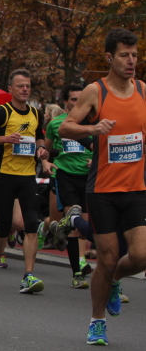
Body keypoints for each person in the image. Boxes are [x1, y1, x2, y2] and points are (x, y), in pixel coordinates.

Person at [59, 28, 146, 346]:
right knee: (107, 259)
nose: (131, 61)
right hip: (103, 191)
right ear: (109, 57)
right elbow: (66, 127)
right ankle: (97, 322)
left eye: (134, 55)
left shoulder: (143, 90)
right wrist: (94, 128)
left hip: (136, 189)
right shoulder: (96, 92)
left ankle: (115, 280)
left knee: (141, 256)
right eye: (124, 55)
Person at [0, 69, 48, 293]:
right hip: (5, 176)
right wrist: (4, 139)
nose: (25, 89)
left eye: (28, 86)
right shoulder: (2, 113)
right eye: (20, 86)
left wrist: (41, 148)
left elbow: (39, 136)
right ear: (11, 89)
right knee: (4, 227)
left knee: (31, 225)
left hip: (28, 176)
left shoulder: (36, 113)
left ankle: (28, 275)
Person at [42, 84, 92, 288]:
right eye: (73, 99)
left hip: (89, 178)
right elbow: (45, 151)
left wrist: (95, 161)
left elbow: (102, 148)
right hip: (66, 177)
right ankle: (77, 272)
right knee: (75, 223)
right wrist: (45, 163)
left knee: (85, 227)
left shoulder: (93, 124)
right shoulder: (56, 124)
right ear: (65, 102)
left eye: (81, 99)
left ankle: (58, 228)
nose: (78, 103)